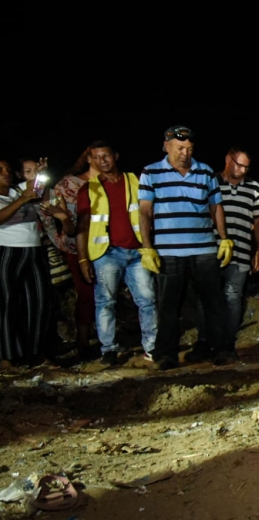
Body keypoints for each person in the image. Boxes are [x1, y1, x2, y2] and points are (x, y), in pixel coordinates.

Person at [138, 125, 236, 370]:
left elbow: (216, 207)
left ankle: (221, 350)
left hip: (203, 248)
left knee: (213, 302)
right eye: (180, 148)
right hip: (168, 251)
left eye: (190, 148)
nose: (185, 153)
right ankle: (166, 355)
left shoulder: (205, 172)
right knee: (169, 306)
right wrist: (147, 247)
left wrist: (223, 238)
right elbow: (145, 211)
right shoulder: (150, 172)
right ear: (166, 146)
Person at [74, 141, 158, 366]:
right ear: (91, 160)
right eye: (97, 157)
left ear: (116, 156)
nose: (103, 161)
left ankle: (152, 347)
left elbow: (149, 213)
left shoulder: (135, 180)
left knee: (147, 300)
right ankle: (108, 349)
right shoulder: (88, 189)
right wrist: (83, 259)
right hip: (106, 253)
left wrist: (150, 247)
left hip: (137, 251)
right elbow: (81, 227)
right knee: (105, 302)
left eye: (106, 156)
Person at [194, 146, 259, 353]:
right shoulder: (212, 182)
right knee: (207, 295)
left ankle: (226, 343)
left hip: (242, 250)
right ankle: (204, 340)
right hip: (211, 249)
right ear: (228, 159)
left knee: (233, 296)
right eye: (239, 164)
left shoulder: (254, 187)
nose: (243, 170)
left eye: (246, 167)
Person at [37, 149, 99, 358]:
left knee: (104, 294)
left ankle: (104, 339)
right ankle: (82, 340)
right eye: (95, 156)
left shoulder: (111, 180)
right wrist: (57, 239)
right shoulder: (68, 184)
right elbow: (38, 198)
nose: (100, 160)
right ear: (87, 158)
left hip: (105, 244)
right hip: (74, 245)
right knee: (86, 293)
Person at [0, 158, 55, 365]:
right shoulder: (17, 196)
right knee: (7, 304)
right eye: (0, 170)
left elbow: (38, 188)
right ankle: (6, 355)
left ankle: (37, 352)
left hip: (34, 250)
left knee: (39, 302)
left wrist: (41, 173)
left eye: (7, 169)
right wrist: (21, 200)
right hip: (7, 251)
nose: (5, 172)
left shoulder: (17, 189)